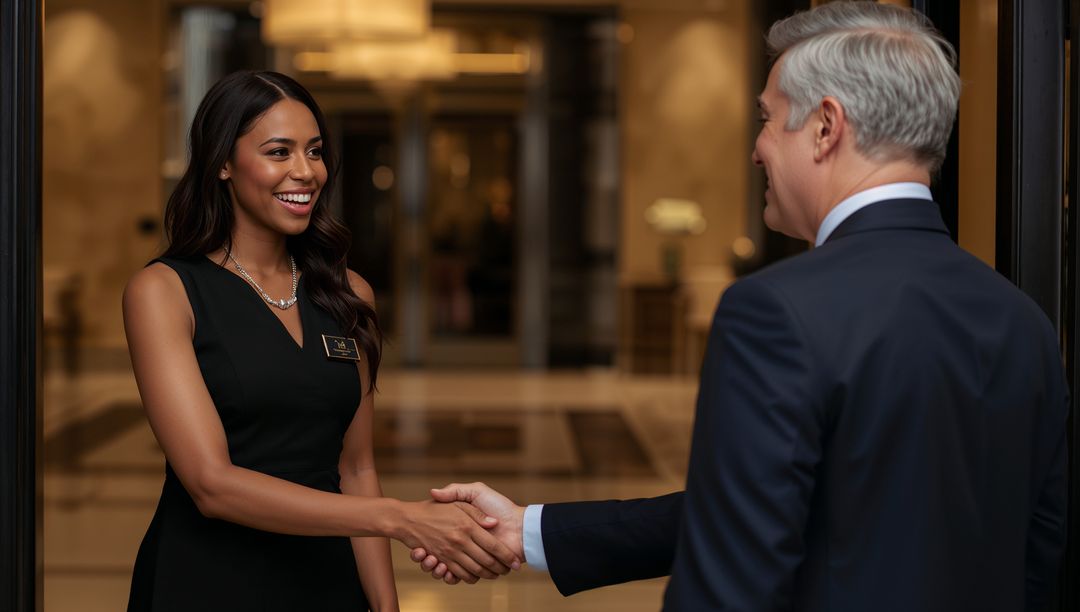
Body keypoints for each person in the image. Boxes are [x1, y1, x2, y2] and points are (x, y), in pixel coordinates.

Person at [409, 3, 1069, 610]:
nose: (756, 147)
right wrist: (530, 530)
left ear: (824, 127)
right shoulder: (1023, 320)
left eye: (764, 117)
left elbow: (729, 579)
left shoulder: (776, 310)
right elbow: (1037, 552)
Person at [123, 70, 520, 612]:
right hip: (206, 581)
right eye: (278, 151)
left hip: (327, 582)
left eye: (314, 151)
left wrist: (385, 606)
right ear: (222, 162)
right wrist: (400, 518)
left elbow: (356, 468)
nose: (305, 172)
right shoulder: (166, 291)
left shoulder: (347, 292)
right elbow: (210, 484)